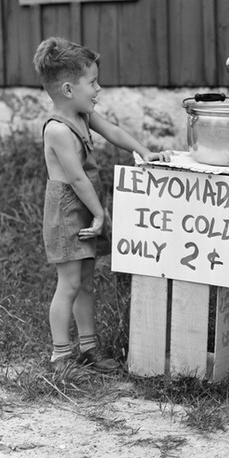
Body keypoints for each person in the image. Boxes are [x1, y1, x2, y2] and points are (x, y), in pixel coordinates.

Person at [33, 37, 170, 374]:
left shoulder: (83, 113)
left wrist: (143, 150)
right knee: (69, 284)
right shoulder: (58, 130)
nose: (99, 88)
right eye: (92, 82)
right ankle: (61, 356)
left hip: (84, 205)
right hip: (69, 211)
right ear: (68, 88)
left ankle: (89, 348)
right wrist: (99, 213)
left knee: (86, 281)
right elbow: (77, 179)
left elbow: (112, 130)